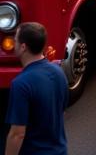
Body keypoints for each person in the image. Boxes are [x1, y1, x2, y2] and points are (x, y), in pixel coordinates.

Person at [5, 22, 68, 155]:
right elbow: (61, 113)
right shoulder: (58, 71)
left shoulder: (20, 84)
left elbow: (17, 134)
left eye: (15, 40)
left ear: (23, 47)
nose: (13, 43)